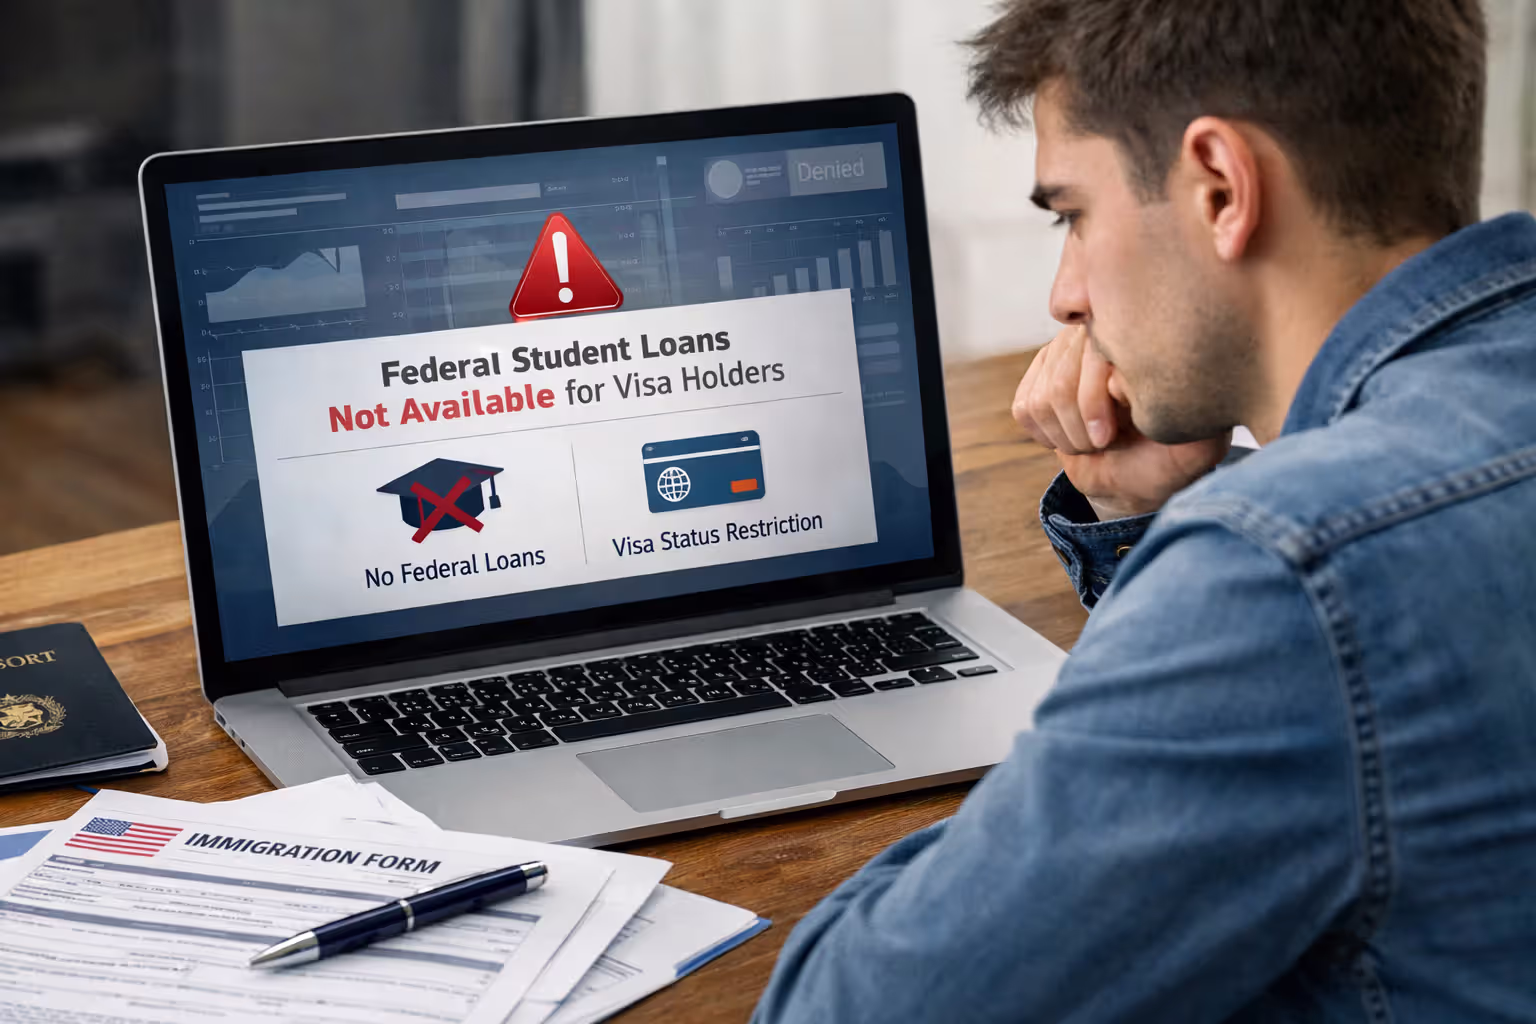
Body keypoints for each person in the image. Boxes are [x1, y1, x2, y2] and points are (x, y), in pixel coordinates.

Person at [752, 0, 1536, 1020]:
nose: (1065, 295)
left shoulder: (1287, 572)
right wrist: (1159, 518)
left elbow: (845, 1007)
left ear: (1220, 186)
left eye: (1071, 214)